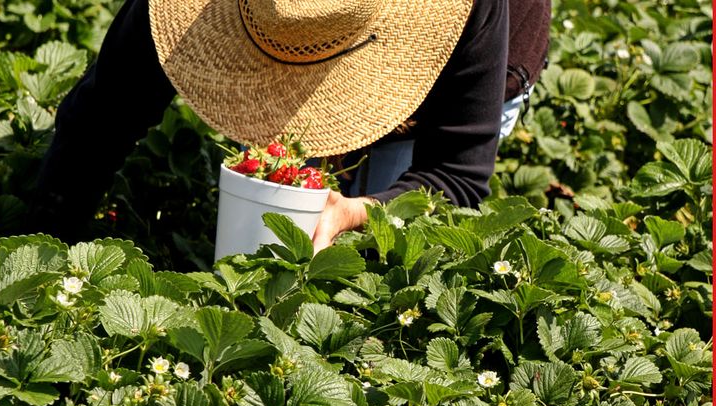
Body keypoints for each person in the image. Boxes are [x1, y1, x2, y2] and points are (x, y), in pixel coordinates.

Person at [28, 0, 549, 253]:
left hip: (453, 84)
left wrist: (358, 212)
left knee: (373, 257)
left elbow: (457, 176)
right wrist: (37, 245)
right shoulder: (183, 9)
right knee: (274, 218)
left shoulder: (471, 10)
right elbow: (101, 116)